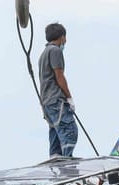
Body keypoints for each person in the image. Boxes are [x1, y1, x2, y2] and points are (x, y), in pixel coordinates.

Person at [38, 22, 78, 157]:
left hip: (46, 102)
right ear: (62, 37)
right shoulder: (55, 51)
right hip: (56, 100)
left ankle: (55, 160)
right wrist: (69, 98)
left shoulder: (44, 53)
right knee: (69, 131)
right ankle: (67, 162)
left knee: (55, 132)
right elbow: (59, 77)